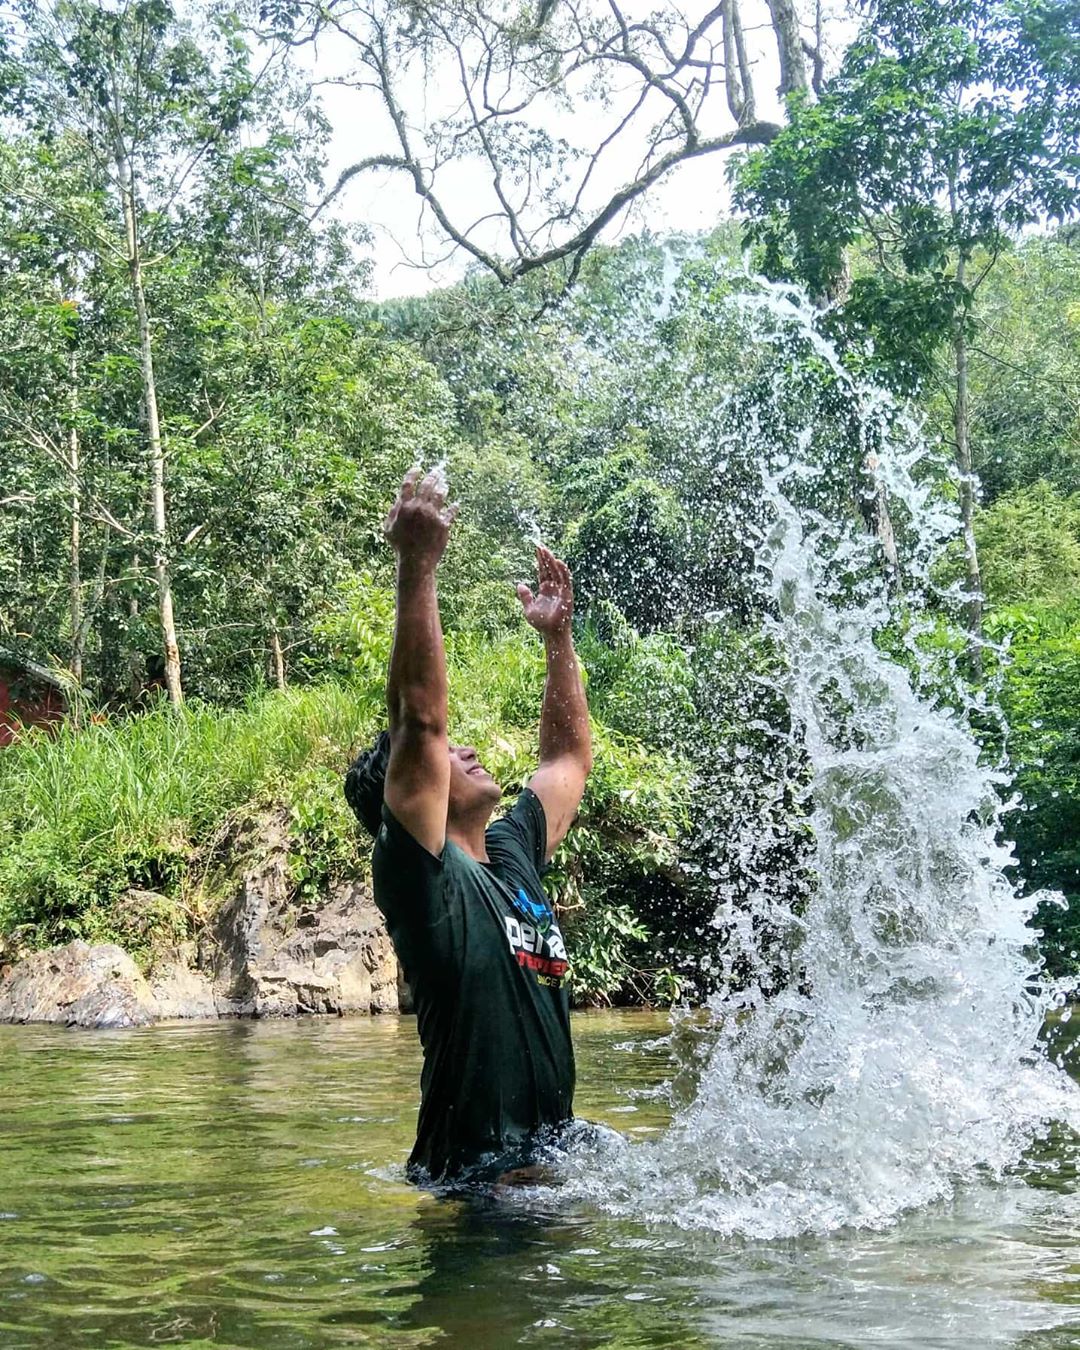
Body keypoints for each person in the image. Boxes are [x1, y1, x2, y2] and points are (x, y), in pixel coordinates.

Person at [344, 467, 593, 1185]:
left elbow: (568, 758)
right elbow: (420, 720)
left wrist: (558, 640)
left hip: (548, 1167)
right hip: (474, 1186)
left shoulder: (512, 855)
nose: (466, 748)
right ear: (413, 788)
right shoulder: (424, 881)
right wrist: (417, 566)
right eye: (446, 755)